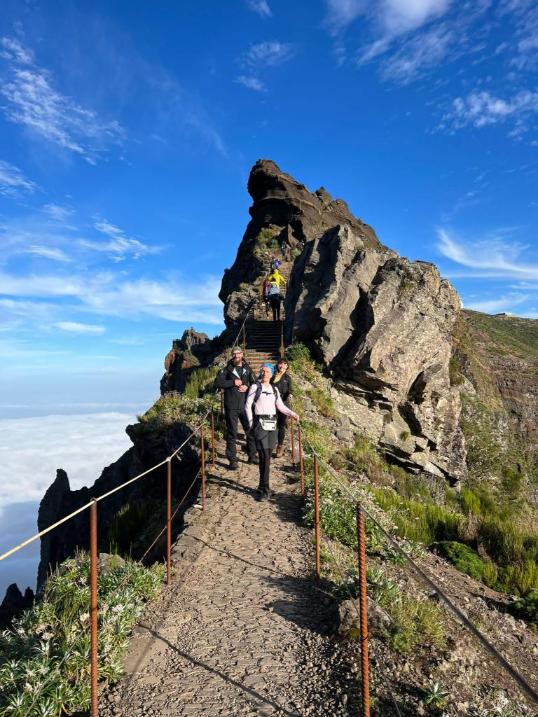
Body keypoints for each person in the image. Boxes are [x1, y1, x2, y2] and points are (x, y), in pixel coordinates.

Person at [245, 363, 299, 501]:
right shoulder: (255, 387)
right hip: (259, 423)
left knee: (267, 456)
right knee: (264, 456)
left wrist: (292, 413)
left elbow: (280, 405)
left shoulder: (274, 389)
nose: (264, 373)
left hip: (272, 424)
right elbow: (247, 405)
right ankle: (264, 489)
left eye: (267, 371)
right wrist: (251, 423)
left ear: (271, 373)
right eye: (262, 371)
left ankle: (263, 486)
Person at [214, 347, 257, 469]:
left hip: (245, 406)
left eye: (238, 353)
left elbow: (255, 384)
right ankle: (232, 460)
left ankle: (252, 455)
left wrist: (247, 387)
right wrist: (233, 383)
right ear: (231, 355)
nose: (236, 356)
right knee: (232, 433)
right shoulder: (226, 370)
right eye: (234, 354)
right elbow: (217, 383)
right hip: (231, 406)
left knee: (250, 430)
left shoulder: (247, 369)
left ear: (242, 354)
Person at [271, 358, 292, 458]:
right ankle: (271, 445)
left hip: (284, 403)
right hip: (272, 404)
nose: (282, 366)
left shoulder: (287, 378)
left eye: (284, 364)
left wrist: (290, 394)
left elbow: (290, 390)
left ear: (287, 367)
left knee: (281, 425)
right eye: (280, 364)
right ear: (277, 365)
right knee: (272, 424)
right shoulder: (272, 376)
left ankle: (279, 446)